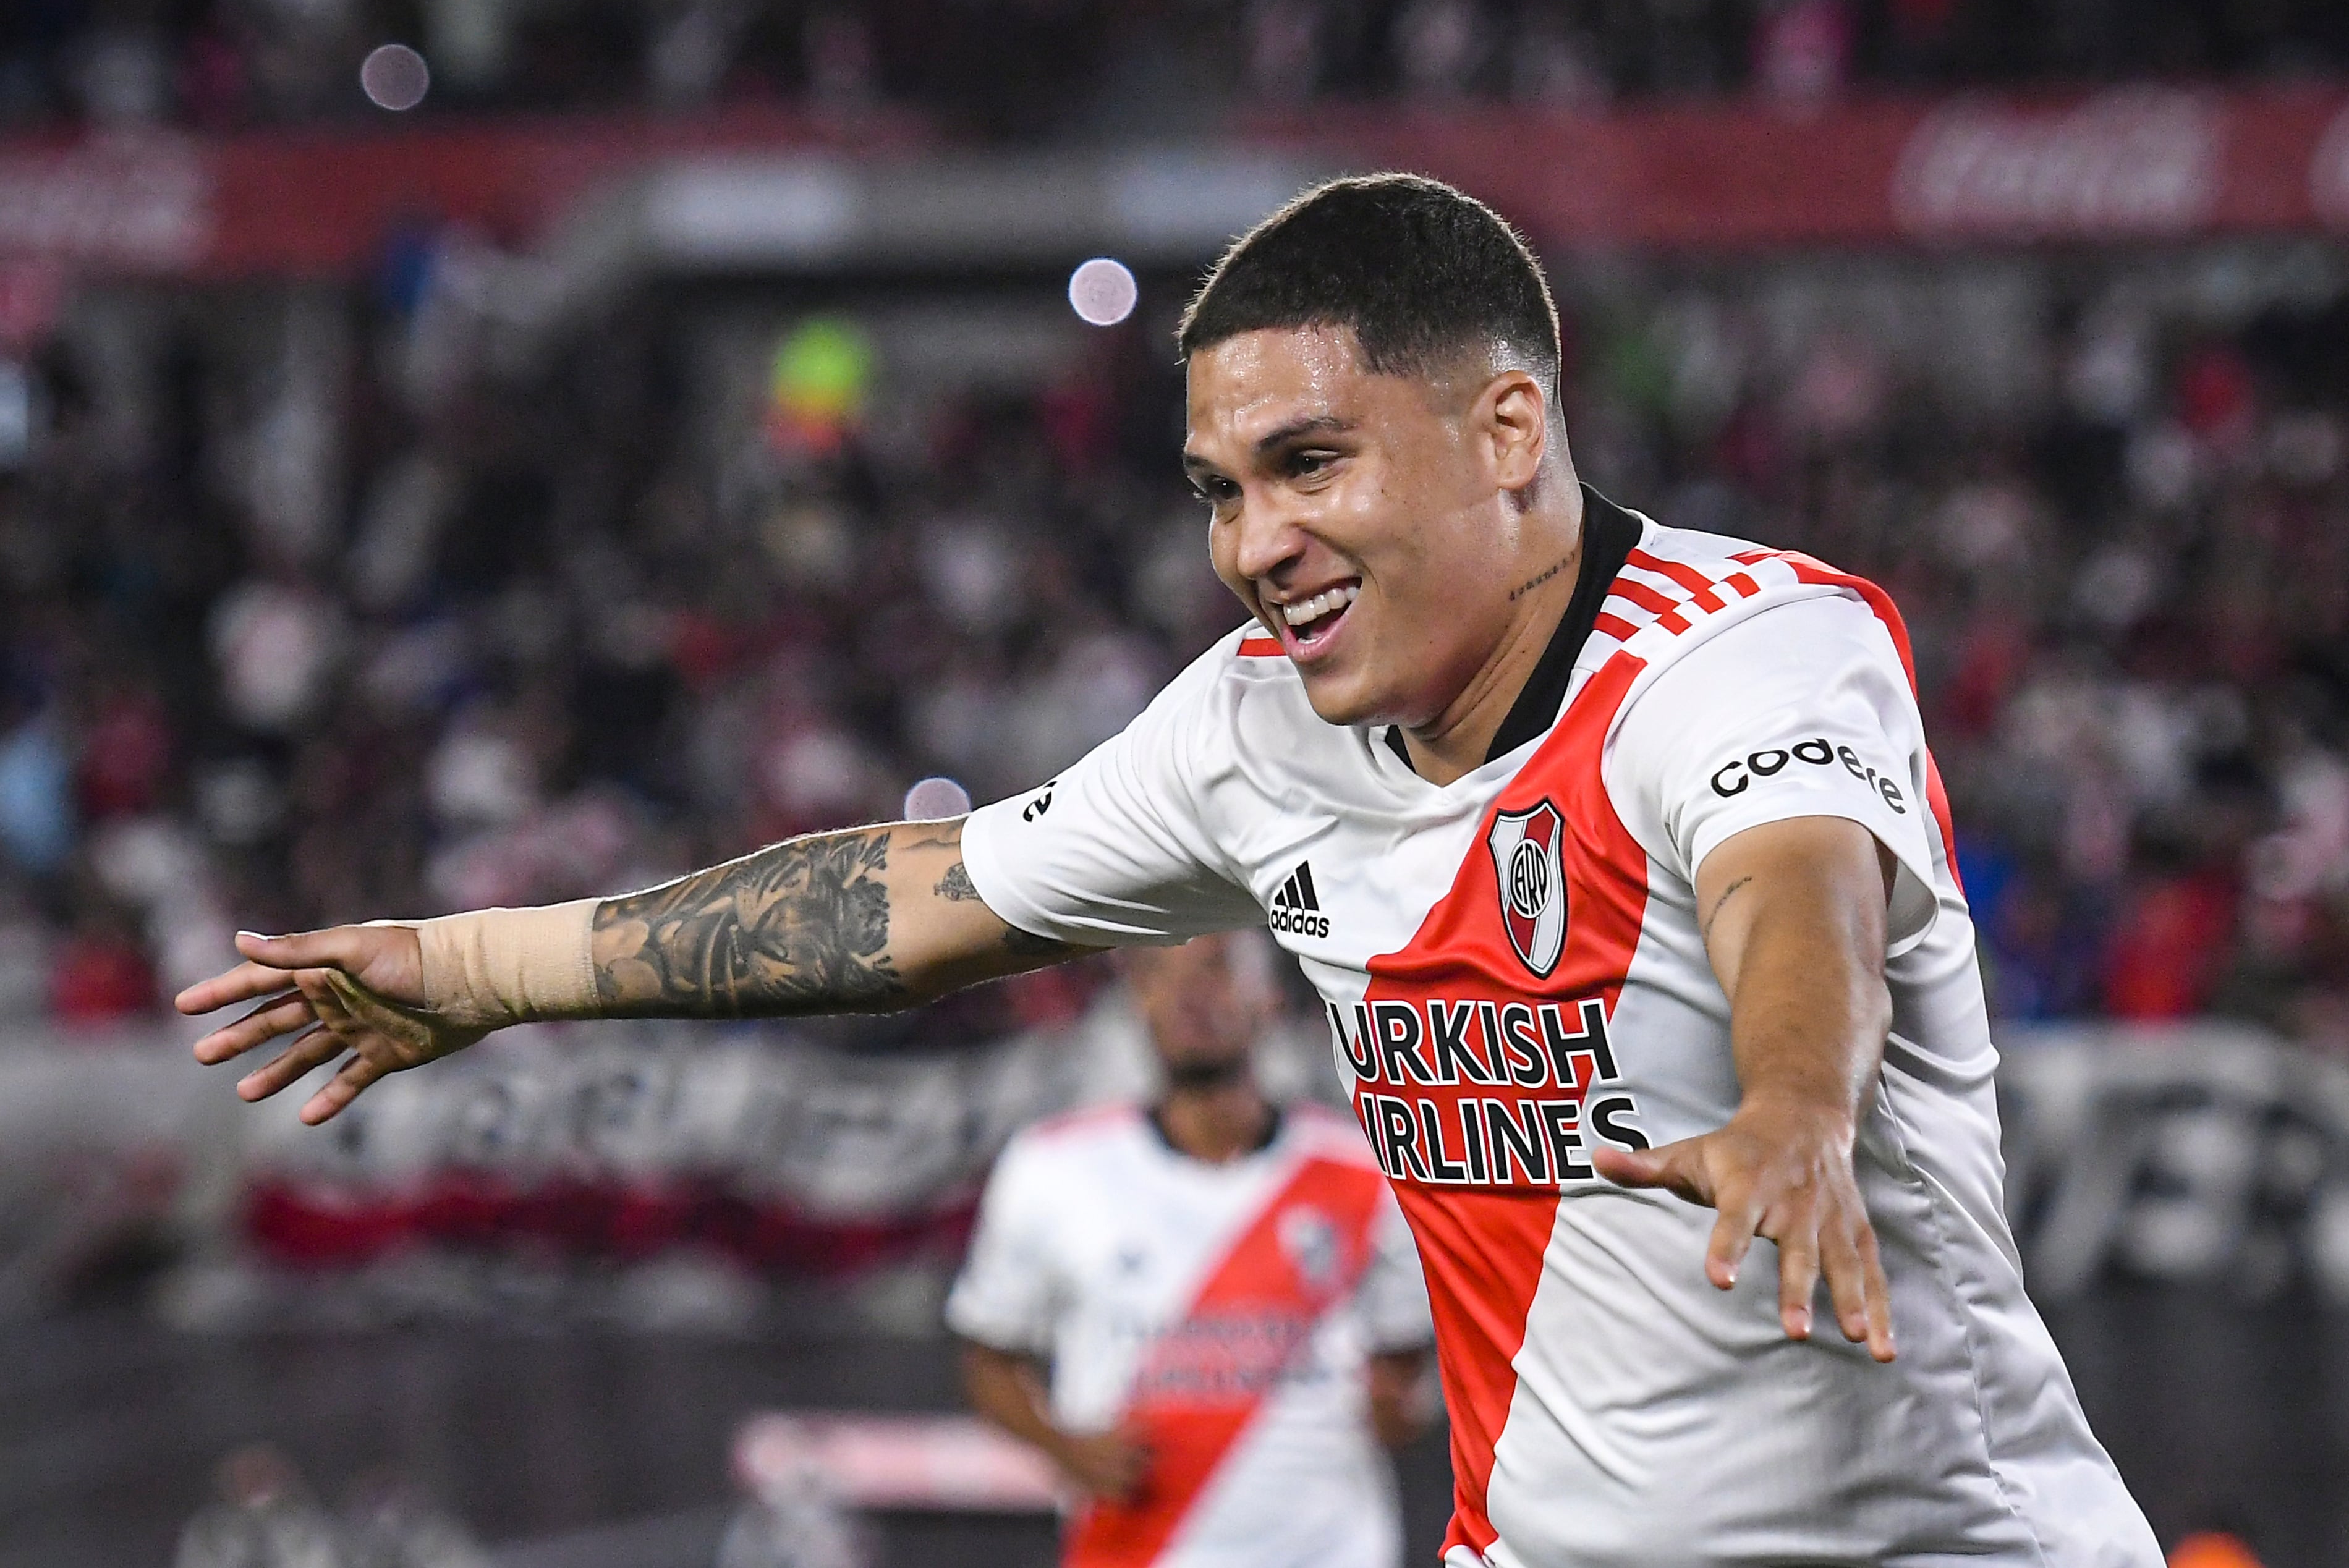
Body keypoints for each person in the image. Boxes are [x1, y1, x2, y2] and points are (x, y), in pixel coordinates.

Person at [180, 174, 2162, 1567]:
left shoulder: (1750, 647)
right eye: (1221, 491)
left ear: (1506, 428)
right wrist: (476, 968)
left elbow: (1791, 883)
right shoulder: (1249, 730)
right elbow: (913, 903)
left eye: (1309, 464)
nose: (1252, 544)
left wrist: (1797, 1101)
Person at [949, 931, 1436, 1568]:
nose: (1186, 994)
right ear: (1136, 999)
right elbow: (989, 1361)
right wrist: (1065, 1446)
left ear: (1269, 996)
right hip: (1136, 1551)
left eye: (1214, 968)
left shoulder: (1363, 1172)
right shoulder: (1053, 1168)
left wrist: (1402, 1410)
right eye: (1158, 972)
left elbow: (1403, 1374)